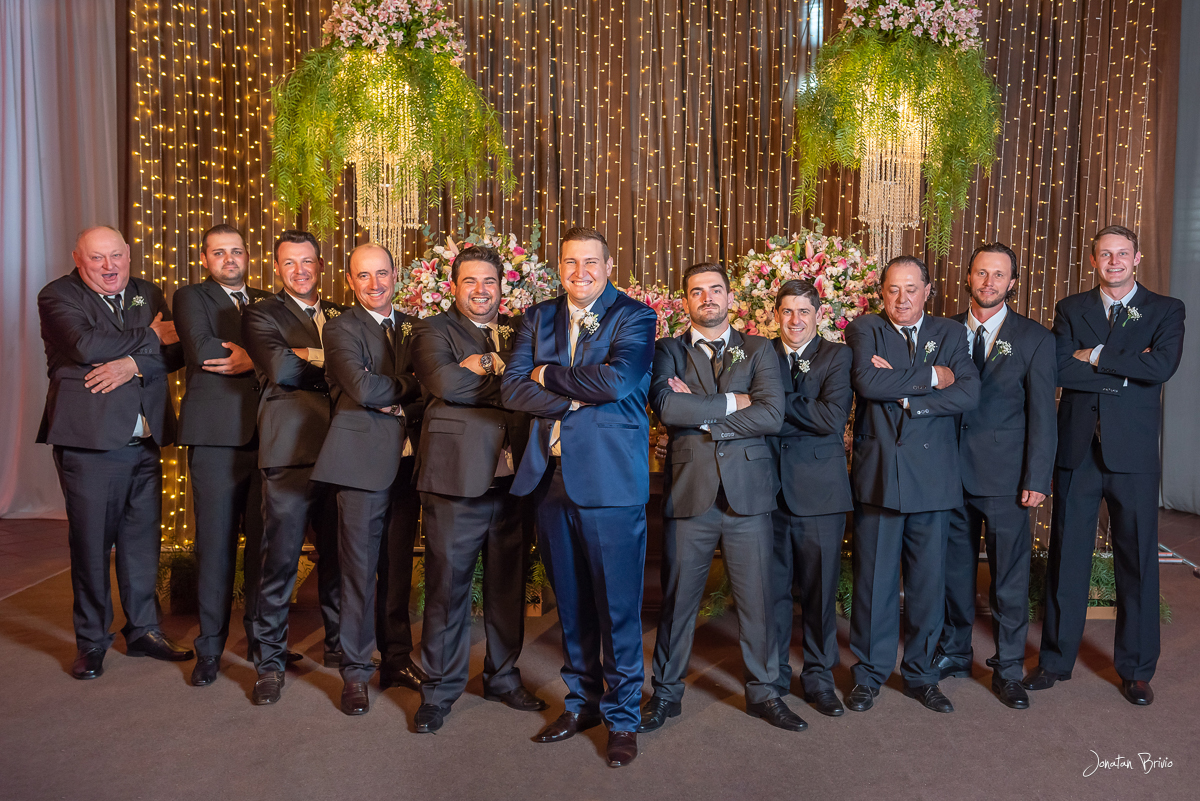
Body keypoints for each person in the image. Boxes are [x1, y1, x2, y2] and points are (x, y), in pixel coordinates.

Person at [501, 227, 657, 768]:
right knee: (570, 604)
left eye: (591, 262)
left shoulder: (635, 316)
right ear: (559, 266)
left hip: (611, 481)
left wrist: (548, 374)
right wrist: (569, 402)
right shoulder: (537, 317)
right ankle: (581, 703)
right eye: (570, 262)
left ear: (609, 266)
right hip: (550, 478)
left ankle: (623, 718)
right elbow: (512, 387)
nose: (580, 272)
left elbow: (616, 382)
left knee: (617, 607)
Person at [1024, 225, 1185, 706]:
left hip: (1132, 455)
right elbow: (1058, 367)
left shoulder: (1166, 309)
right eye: (1105, 254)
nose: (1114, 262)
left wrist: (1093, 355)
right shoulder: (1071, 308)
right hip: (1077, 452)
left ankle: (1136, 670)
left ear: (1137, 259)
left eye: (1122, 254)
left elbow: (1162, 368)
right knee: (1067, 558)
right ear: (1093, 260)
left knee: (1137, 561)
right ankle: (1055, 661)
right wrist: (1127, 369)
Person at [642, 262, 802, 734]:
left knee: (758, 600)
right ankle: (665, 694)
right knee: (678, 601)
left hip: (748, 495)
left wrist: (703, 416)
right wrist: (736, 401)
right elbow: (667, 406)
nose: (707, 297)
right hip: (691, 492)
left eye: (716, 289)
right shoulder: (666, 350)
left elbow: (772, 414)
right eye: (697, 291)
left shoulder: (758, 349)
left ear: (731, 298)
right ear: (685, 301)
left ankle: (765, 693)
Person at [36, 225, 192, 679]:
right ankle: (91, 641)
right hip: (90, 444)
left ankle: (143, 630)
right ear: (78, 259)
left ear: (128, 253)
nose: (109, 267)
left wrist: (130, 363)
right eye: (97, 258)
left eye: (116, 256)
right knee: (91, 547)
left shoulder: (148, 291)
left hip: (145, 439)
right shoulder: (57, 296)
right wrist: (150, 338)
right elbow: (87, 345)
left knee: (141, 544)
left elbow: (178, 351)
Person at [409, 245, 546, 732]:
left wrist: (484, 365)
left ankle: (502, 677)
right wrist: (509, 376)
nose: (481, 290)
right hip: (455, 480)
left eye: (489, 281)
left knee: (508, 587)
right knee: (447, 588)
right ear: (454, 286)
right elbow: (449, 386)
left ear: (502, 286)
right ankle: (438, 689)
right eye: (470, 281)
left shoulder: (520, 329)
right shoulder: (430, 330)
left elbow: (537, 386)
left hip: (514, 482)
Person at [843, 255, 979, 714]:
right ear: (882, 293)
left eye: (911, 289)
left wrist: (904, 395)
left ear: (928, 291)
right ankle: (869, 674)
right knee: (874, 584)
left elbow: (969, 392)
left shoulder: (951, 332)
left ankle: (922, 675)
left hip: (933, 480)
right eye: (893, 290)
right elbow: (867, 382)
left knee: (927, 586)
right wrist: (934, 377)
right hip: (880, 475)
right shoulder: (865, 328)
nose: (902, 299)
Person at [933, 243, 1056, 710]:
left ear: (1012, 283)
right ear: (968, 277)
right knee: (953, 573)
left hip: (1007, 479)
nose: (989, 282)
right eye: (982, 273)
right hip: (948, 473)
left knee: (1008, 579)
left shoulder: (1035, 338)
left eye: (999, 275)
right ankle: (955, 651)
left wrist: (1037, 477)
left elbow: (1043, 415)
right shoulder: (942, 331)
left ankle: (1007, 669)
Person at [311, 243, 426, 715]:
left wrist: (402, 400)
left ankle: (396, 659)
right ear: (350, 281)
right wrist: (412, 384)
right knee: (358, 571)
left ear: (395, 275)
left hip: (409, 463)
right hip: (359, 463)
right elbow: (361, 388)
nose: (374, 284)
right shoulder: (340, 328)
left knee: (398, 568)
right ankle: (356, 671)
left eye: (382, 273)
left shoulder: (416, 327)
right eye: (363, 275)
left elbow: (433, 390)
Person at [241, 230, 344, 705]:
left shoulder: (343, 314)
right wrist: (337, 364)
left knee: (340, 558)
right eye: (289, 263)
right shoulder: (261, 313)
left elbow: (368, 369)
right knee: (279, 560)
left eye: (307, 262)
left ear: (321, 265)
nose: (299, 271)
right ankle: (269, 661)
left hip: (343, 451)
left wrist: (310, 356)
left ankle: (340, 647)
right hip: (289, 452)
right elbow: (282, 370)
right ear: (277, 268)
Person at [174, 224, 274, 686]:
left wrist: (252, 358)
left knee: (263, 548)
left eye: (236, 251)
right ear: (204, 258)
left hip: (266, 437)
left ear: (248, 256)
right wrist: (266, 357)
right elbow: (202, 349)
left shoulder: (267, 300)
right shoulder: (190, 297)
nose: (229, 259)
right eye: (219, 252)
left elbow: (290, 355)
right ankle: (210, 649)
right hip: (215, 439)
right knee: (215, 546)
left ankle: (262, 643)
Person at [765, 279, 854, 718]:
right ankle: (773, 676)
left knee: (819, 593)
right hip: (767, 491)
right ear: (775, 315)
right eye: (787, 311)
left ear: (818, 314)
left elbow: (832, 418)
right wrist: (796, 409)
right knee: (771, 592)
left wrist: (772, 403)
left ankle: (819, 677)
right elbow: (751, 416)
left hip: (821, 493)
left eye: (804, 311)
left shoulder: (838, 356)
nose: (795, 320)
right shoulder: (760, 353)